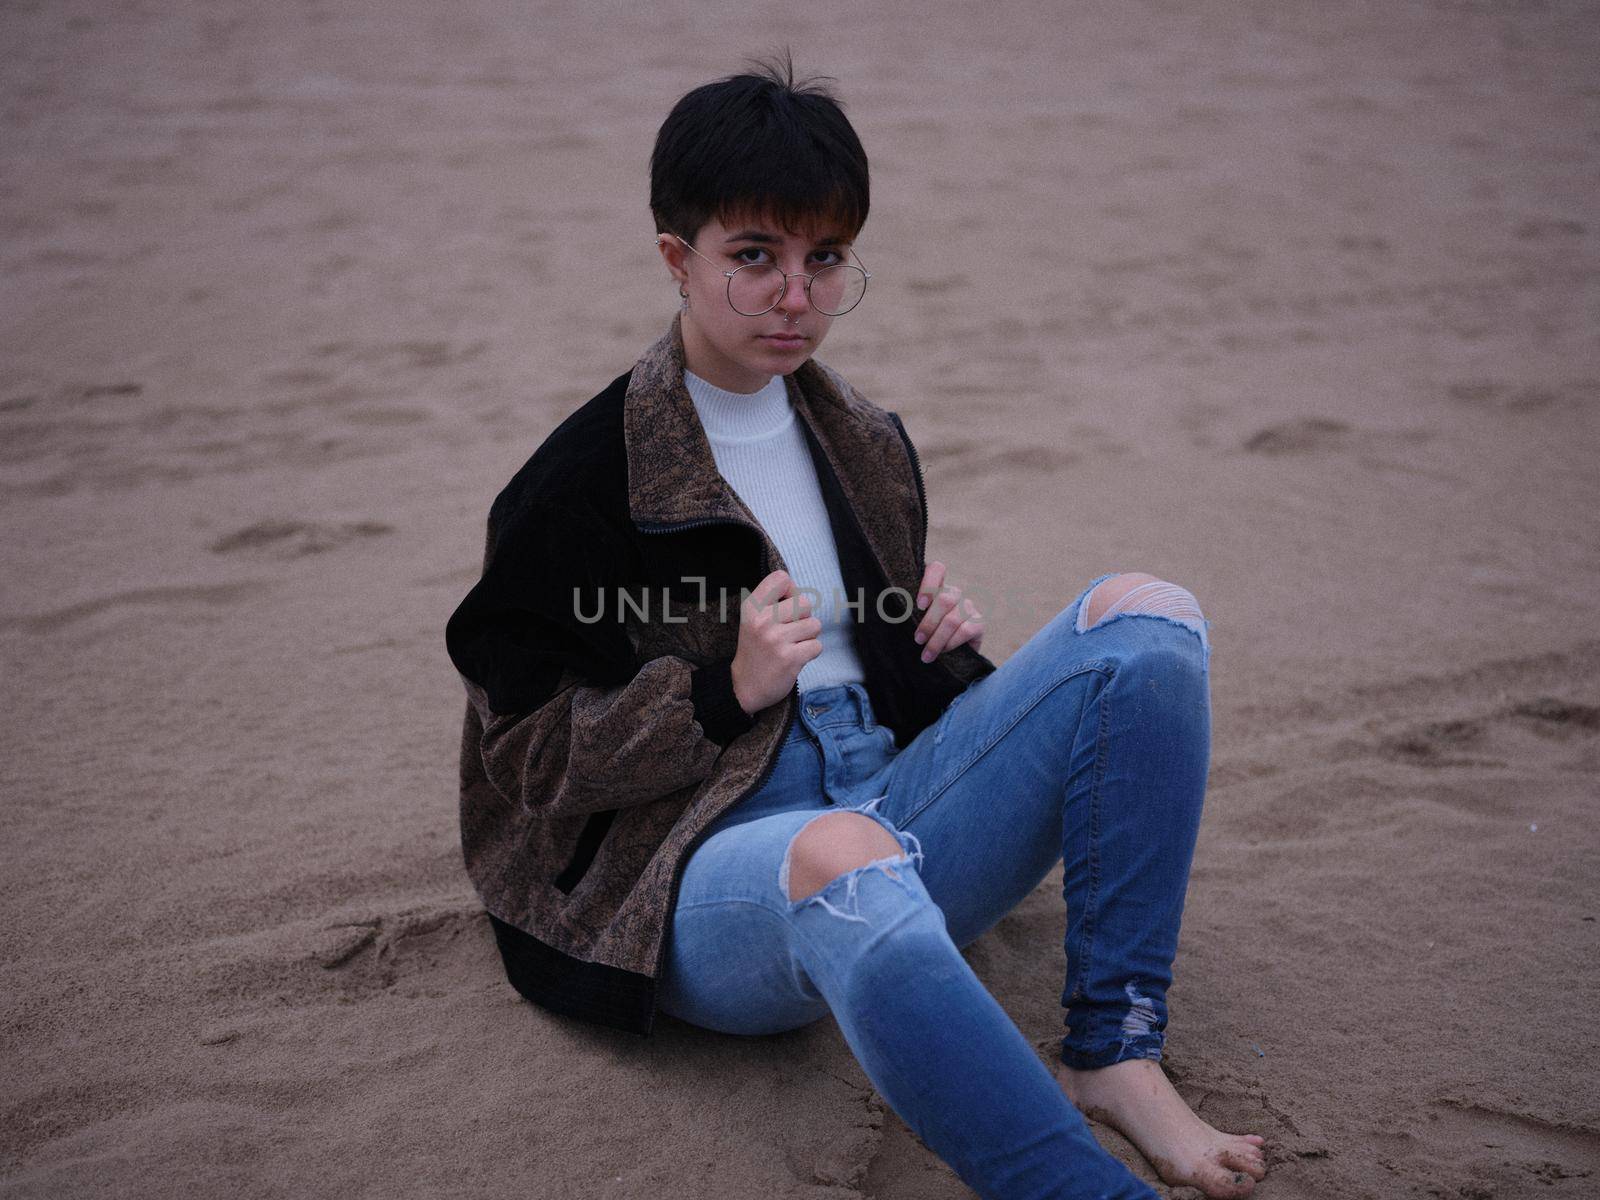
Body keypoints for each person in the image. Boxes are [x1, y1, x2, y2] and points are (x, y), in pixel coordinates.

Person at [445, 52, 1268, 1200]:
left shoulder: (866, 442)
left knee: (1148, 624)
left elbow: (889, 685)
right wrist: (715, 692)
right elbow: (524, 757)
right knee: (849, 861)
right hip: (704, 875)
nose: (796, 296)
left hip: (887, 800)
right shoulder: (581, 481)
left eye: (824, 259)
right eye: (754, 258)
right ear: (677, 261)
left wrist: (937, 651)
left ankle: (1115, 1053)